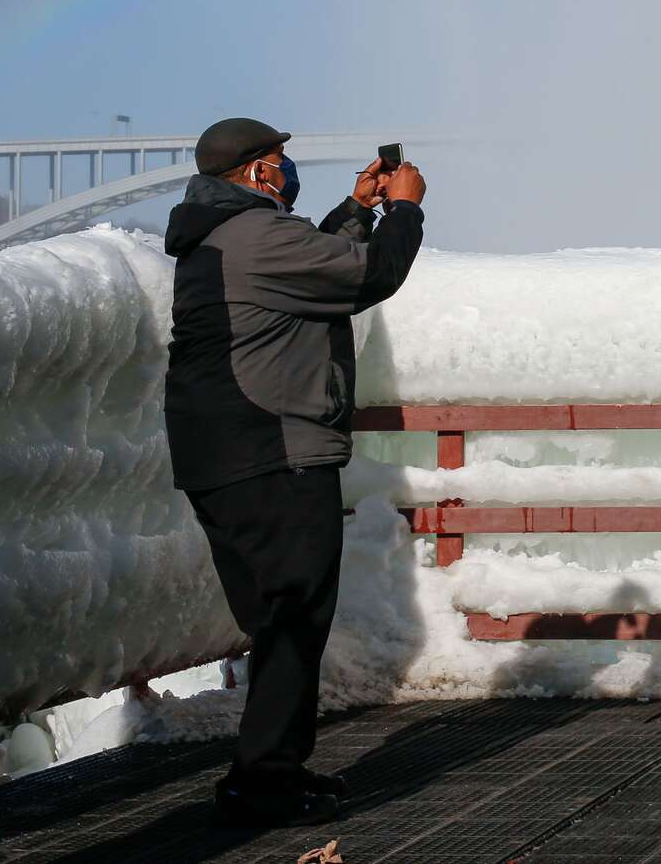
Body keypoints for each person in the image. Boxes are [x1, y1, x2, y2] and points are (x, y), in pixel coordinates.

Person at [163, 118, 426, 826]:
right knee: (292, 617)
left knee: (279, 620)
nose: (286, 171)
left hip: (221, 455)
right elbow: (372, 274)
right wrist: (404, 207)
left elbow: (314, 258)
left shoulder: (221, 235)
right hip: (274, 452)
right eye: (279, 161)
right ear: (254, 173)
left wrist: (356, 210)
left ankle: (272, 769)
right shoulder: (256, 237)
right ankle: (264, 782)